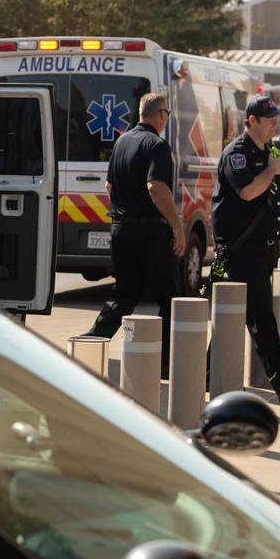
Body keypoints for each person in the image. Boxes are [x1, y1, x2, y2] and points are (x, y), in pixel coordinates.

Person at [212, 95, 280, 401]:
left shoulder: (271, 151)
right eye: (269, 121)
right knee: (261, 315)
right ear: (251, 121)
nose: (274, 125)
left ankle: (206, 371)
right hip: (240, 249)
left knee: (236, 313)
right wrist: (271, 171)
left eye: (277, 120)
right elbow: (248, 192)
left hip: (265, 248)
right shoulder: (237, 154)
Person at [86, 91, 184, 377]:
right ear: (161, 114)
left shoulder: (122, 141)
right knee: (171, 299)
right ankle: (165, 365)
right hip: (150, 232)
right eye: (167, 114)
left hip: (121, 228)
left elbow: (109, 187)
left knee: (124, 294)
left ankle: (89, 345)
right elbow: (156, 187)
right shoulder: (157, 145)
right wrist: (176, 226)